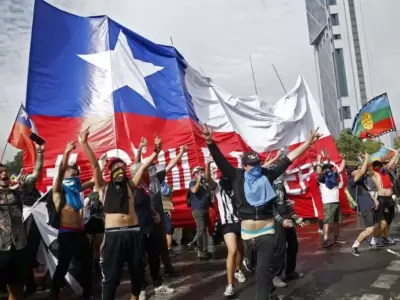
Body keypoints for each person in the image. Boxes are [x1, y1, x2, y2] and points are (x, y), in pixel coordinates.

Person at [204, 124, 321, 300]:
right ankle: (271, 294)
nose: (256, 167)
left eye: (257, 163)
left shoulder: (267, 175)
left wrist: (307, 144)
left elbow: (287, 160)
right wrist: (210, 142)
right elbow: (220, 160)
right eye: (251, 165)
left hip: (267, 231)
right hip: (248, 235)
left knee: (261, 272)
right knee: (255, 267)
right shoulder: (236, 176)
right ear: (244, 166)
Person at [82, 130, 162, 300]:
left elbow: (144, 166)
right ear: (110, 171)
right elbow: (96, 166)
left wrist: (156, 150)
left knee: (137, 274)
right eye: (115, 167)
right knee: (111, 277)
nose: (119, 169)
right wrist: (85, 143)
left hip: (133, 233)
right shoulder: (103, 187)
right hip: (114, 235)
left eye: (121, 167)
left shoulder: (131, 185)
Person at [50, 140, 95, 300]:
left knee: (88, 264)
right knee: (63, 265)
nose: (72, 172)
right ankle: (54, 293)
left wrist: (100, 165)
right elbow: (61, 170)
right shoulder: (58, 190)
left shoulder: (77, 190)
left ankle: (88, 293)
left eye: (74, 171)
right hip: (67, 233)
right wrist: (67, 151)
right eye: (69, 170)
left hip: (80, 232)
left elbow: (94, 180)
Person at [0, 142, 43, 300]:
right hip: (1, 250)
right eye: (0, 172)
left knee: (17, 291)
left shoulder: (17, 192)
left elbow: (35, 175)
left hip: (19, 249)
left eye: (5, 171)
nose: (3, 174)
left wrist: (40, 154)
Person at [135, 138, 183, 276]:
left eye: (152, 167)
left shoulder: (156, 178)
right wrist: (139, 149)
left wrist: (180, 153)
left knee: (162, 244)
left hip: (159, 216)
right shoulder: (138, 181)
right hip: (145, 218)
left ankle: (168, 268)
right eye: (149, 167)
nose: (152, 169)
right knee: (145, 247)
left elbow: (171, 166)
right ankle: (143, 275)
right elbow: (137, 164)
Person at [131, 162, 175, 299]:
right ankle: (142, 288)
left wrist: (154, 212)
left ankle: (157, 284)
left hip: (150, 225)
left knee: (154, 256)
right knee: (139, 260)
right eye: (144, 170)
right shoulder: (131, 187)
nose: (147, 172)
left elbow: (146, 204)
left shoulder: (144, 185)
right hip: (138, 228)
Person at [205, 157, 246, 297]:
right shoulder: (217, 187)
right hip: (227, 223)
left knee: (241, 249)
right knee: (232, 250)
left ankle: (239, 270)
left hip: (241, 221)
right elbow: (208, 180)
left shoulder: (238, 185)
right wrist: (208, 164)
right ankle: (230, 285)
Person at [268, 151, 306, 288]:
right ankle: (275, 275)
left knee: (293, 244)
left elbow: (285, 204)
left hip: (286, 217)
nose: (283, 173)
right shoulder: (269, 186)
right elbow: (270, 208)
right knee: (280, 248)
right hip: (276, 220)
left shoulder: (281, 186)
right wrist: (281, 220)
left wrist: (296, 217)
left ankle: (290, 272)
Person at [349, 153, 382, 256]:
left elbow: (367, 191)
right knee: (370, 229)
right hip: (364, 206)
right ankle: (355, 246)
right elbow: (363, 170)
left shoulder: (361, 182)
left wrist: (374, 200)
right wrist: (367, 158)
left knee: (377, 224)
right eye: (356, 169)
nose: (359, 169)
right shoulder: (351, 180)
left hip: (370, 203)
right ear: (352, 172)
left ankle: (373, 241)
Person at [370, 151, 400, 245]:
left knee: (389, 219)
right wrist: (367, 157)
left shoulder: (385, 173)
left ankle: (385, 236)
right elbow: (368, 167)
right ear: (375, 167)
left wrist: (398, 152)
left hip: (389, 199)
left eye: (382, 165)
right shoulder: (375, 175)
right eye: (379, 165)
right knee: (382, 223)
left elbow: (392, 162)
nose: (382, 166)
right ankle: (374, 240)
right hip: (382, 199)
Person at [318, 156, 346, 248]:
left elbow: (341, 169)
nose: (329, 170)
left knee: (336, 221)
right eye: (327, 168)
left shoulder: (334, 175)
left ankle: (336, 237)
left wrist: (344, 159)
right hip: (328, 202)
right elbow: (319, 172)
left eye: (330, 167)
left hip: (336, 201)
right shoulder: (322, 178)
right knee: (327, 221)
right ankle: (325, 239)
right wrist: (319, 162)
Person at [188, 165, 214, 259]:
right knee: (201, 230)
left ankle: (205, 250)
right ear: (194, 174)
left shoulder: (205, 183)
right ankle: (200, 251)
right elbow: (194, 191)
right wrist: (198, 180)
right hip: (197, 210)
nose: (201, 173)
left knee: (205, 230)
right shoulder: (192, 182)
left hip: (206, 209)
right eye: (199, 172)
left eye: (202, 172)